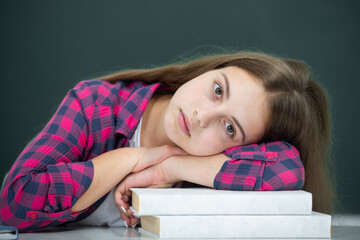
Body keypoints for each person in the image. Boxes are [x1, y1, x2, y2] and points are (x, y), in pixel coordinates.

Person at [0, 51, 334, 232]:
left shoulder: (212, 164)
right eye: (218, 90)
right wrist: (132, 159)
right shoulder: (95, 105)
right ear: (208, 71)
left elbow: (289, 169)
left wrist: (169, 168)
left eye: (230, 128)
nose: (203, 116)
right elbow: (15, 201)